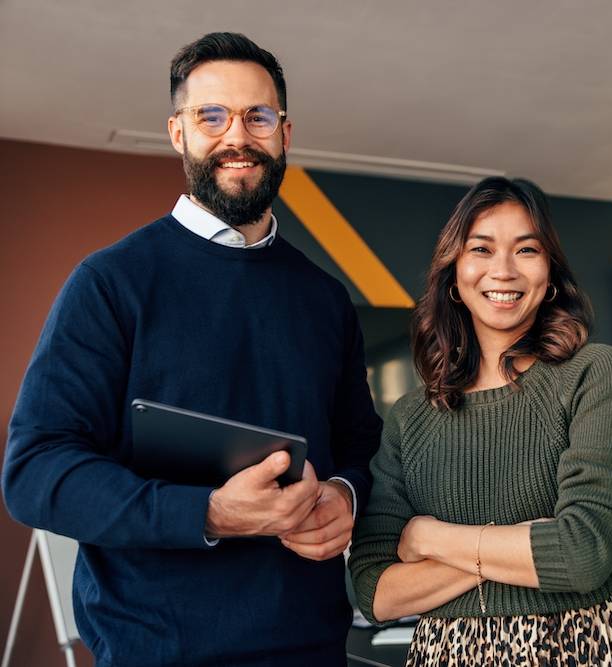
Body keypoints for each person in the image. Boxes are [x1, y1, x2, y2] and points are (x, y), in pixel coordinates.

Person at [2, 33, 382, 666]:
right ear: (178, 133)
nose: (238, 136)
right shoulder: (110, 283)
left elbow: (363, 446)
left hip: (313, 649)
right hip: (155, 651)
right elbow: (35, 472)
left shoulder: (325, 299)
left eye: (258, 117)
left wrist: (343, 494)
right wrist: (208, 513)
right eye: (212, 116)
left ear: (284, 134)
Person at [349, 177, 612, 665]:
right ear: (455, 275)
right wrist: (522, 543)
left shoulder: (595, 373)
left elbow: (583, 553)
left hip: (578, 649)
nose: (503, 271)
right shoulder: (411, 417)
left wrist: (432, 539)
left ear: (549, 275)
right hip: (445, 655)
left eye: (526, 250)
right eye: (481, 249)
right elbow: (375, 592)